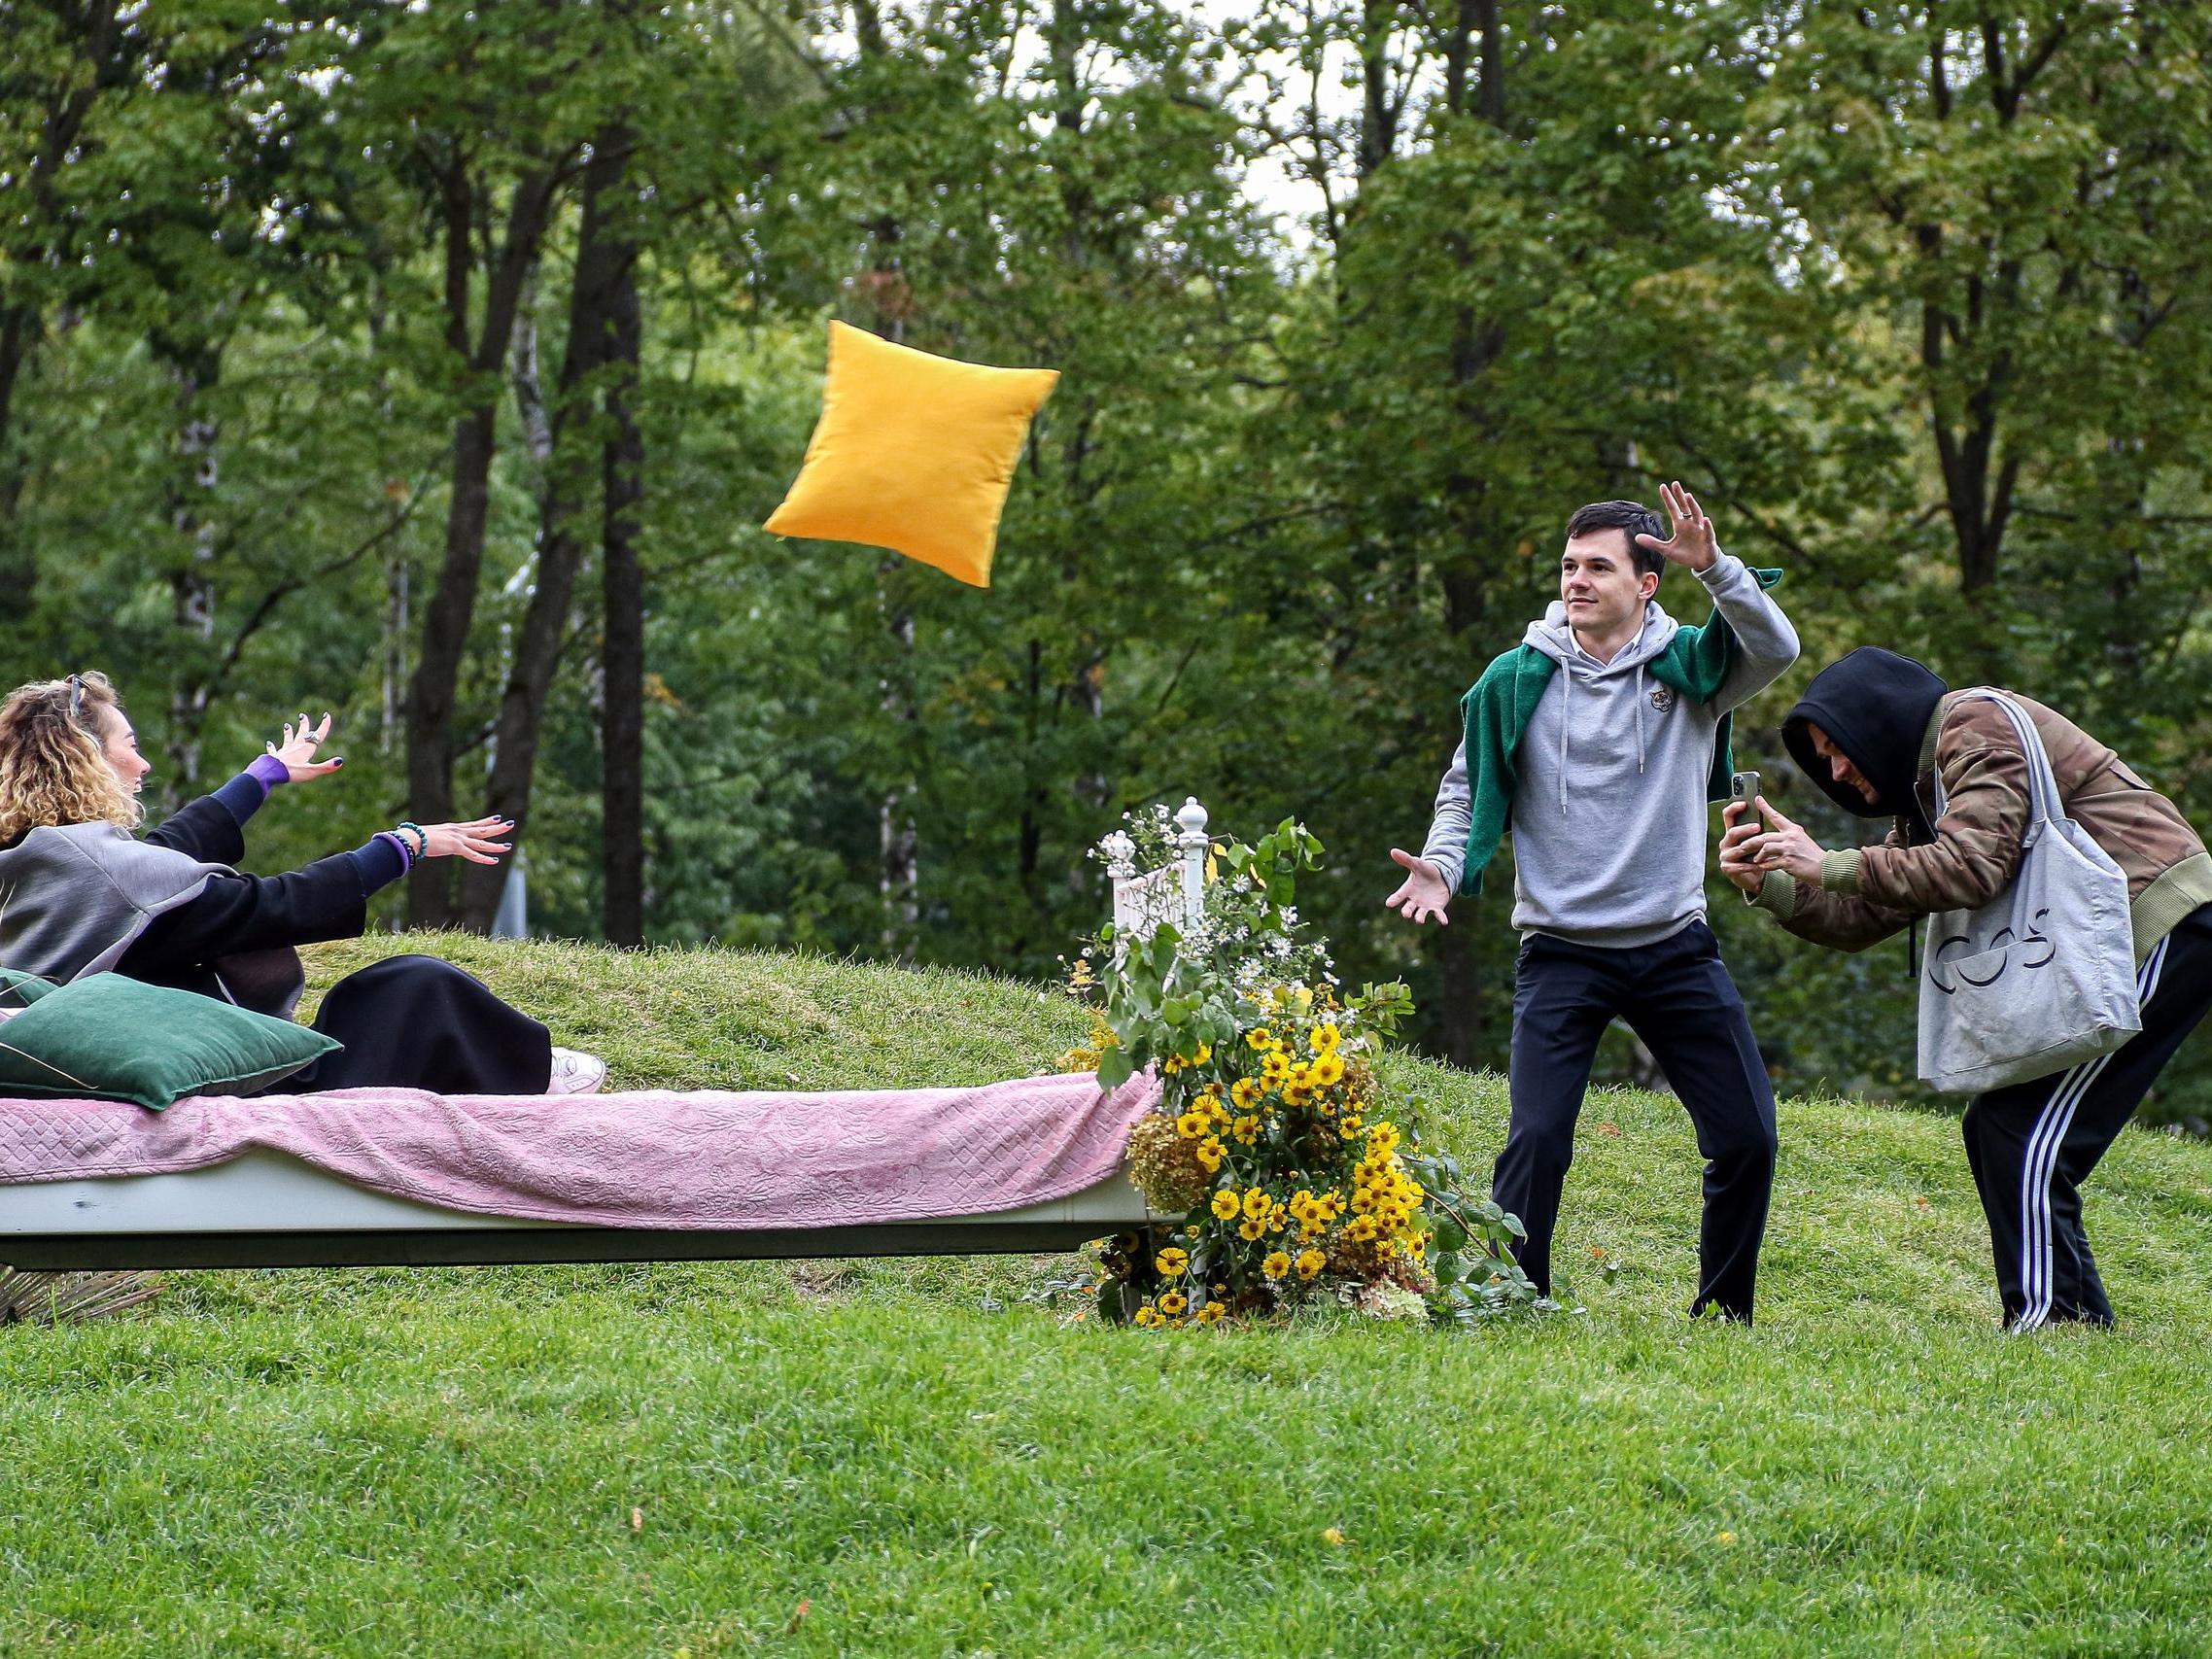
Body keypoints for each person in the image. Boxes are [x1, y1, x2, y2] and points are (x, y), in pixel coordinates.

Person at [1384, 484, 1800, 1321]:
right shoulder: (1516, 679)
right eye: (1570, 565)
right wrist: (1443, 865)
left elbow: (1777, 646)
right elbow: (1465, 792)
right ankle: (1512, 1301)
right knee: (1537, 1141)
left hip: (1673, 943)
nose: (1577, 579)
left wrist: (1716, 569)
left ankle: (1725, 1312)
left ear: (1646, 582)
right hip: (1561, 949)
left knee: (1748, 1137)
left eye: (1599, 567)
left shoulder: (1693, 669)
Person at [1720, 646, 2212, 1331]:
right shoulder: (1929, 793)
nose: (1836, 772)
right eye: (1824, 761)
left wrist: (1830, 862)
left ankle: (2051, 1322)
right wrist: (1773, 884)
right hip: (2114, 939)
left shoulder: (1975, 723)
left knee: (2023, 1132)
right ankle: (2071, 1320)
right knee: (1998, 1129)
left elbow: (1973, 867)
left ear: (1876, 717)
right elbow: (1867, 914)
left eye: (1838, 750)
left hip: (2156, 922)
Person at [0, 671, 606, 1095]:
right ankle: (536, 1075)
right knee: (413, 987)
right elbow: (274, 906)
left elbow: (166, 851)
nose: (144, 763)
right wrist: (403, 847)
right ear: (90, 759)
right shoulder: (103, 870)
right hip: (221, 1085)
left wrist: (263, 776)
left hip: (123, 1068)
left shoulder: (40, 861)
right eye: (131, 745)